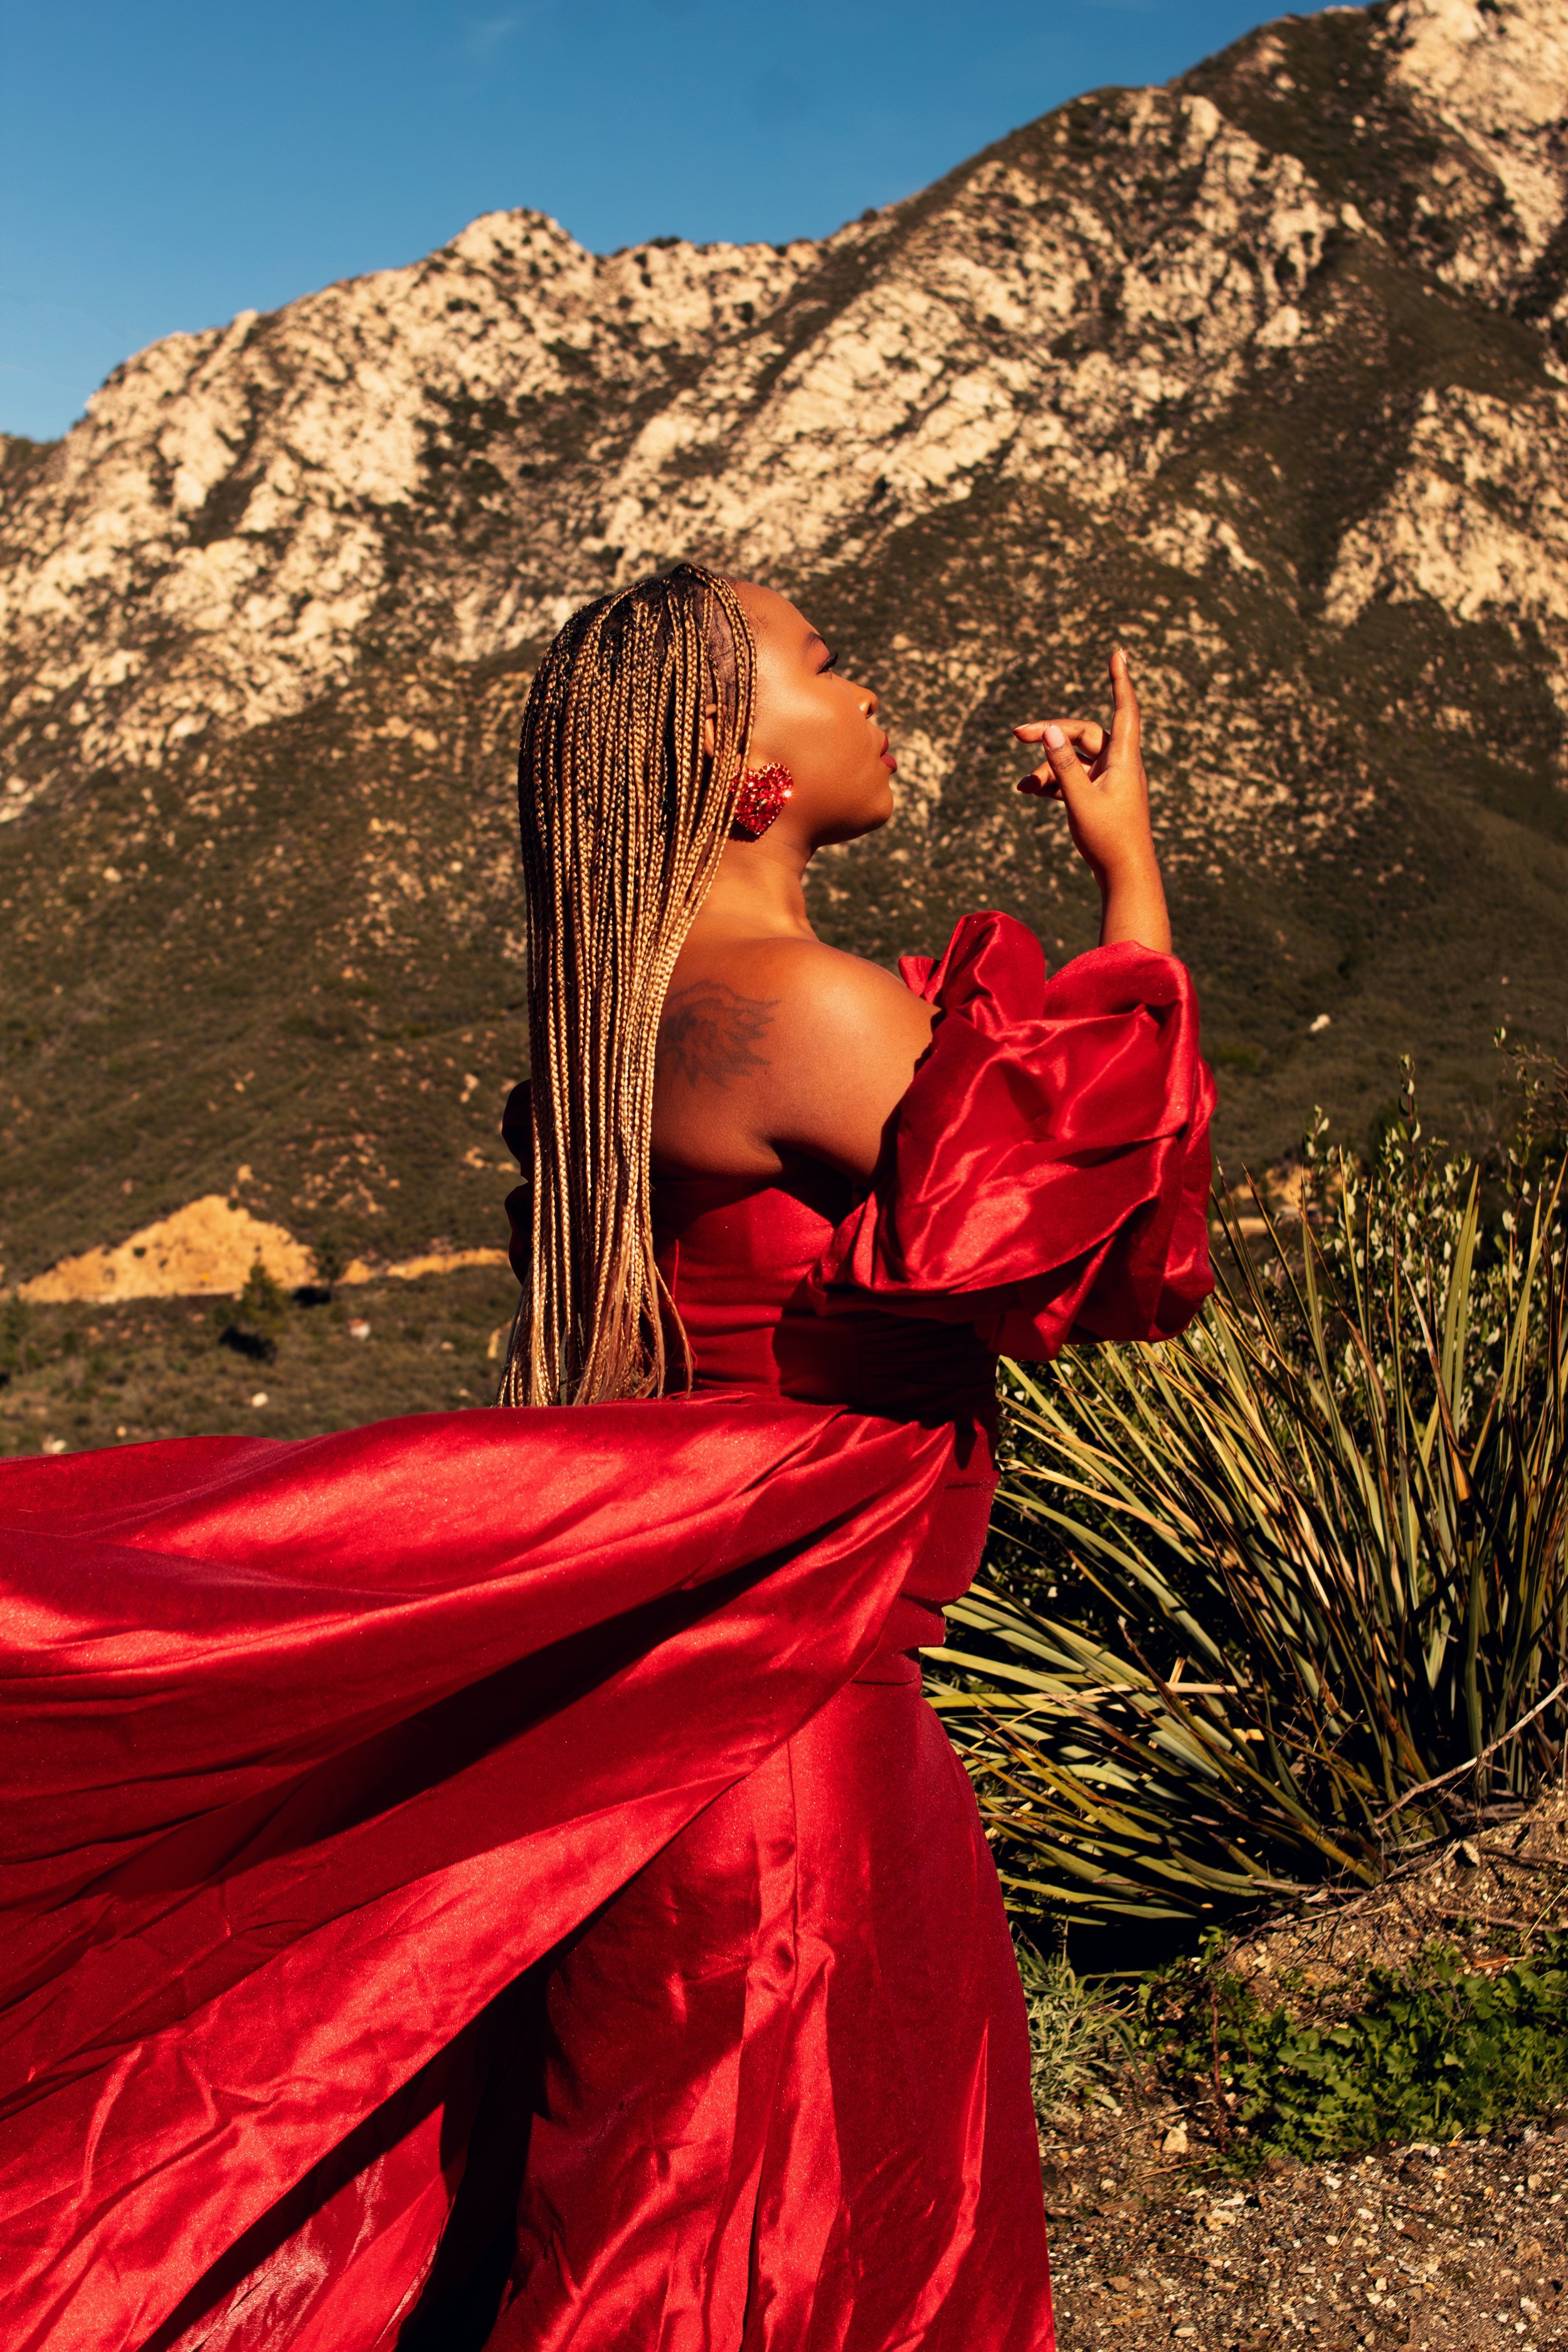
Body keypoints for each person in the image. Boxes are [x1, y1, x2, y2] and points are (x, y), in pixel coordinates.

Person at [0, 564, 1212, 2352]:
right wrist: (1127, 881)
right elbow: (1112, 1264)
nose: (867, 685)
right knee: (784, 2256)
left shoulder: (624, 1022)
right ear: (747, 769)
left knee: (667, 2238)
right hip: (794, 1755)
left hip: (678, 1732)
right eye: (826, 659)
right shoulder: (804, 1009)